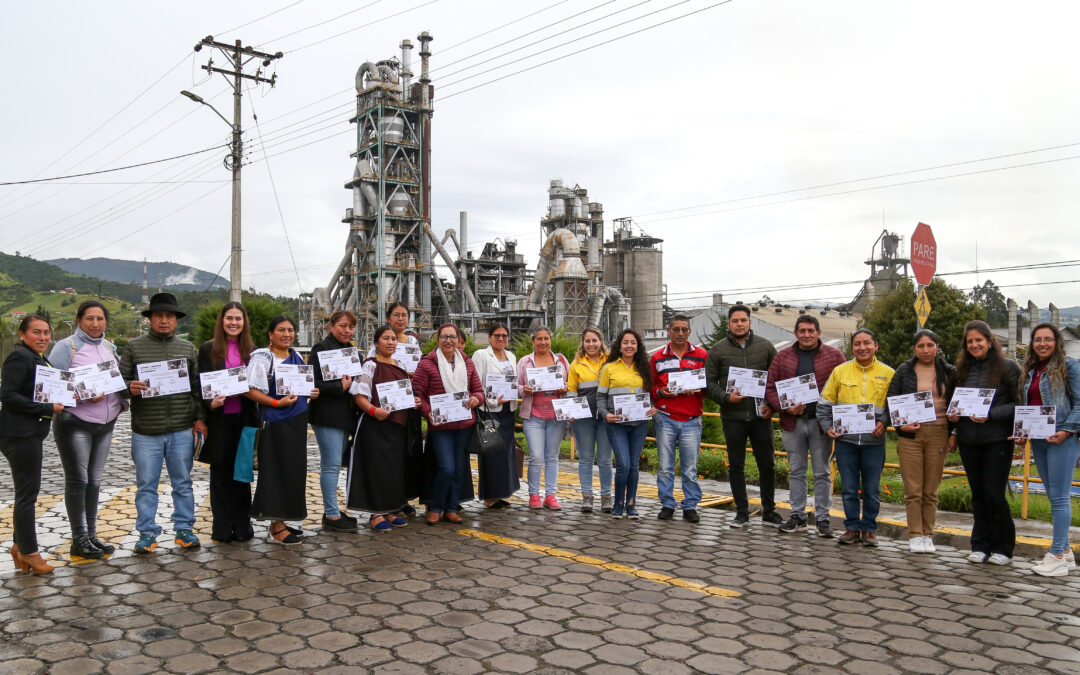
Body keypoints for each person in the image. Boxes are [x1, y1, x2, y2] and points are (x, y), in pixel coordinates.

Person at [119, 293, 206, 554]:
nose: (164, 320)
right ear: (150, 319)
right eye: (159, 315)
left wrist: (200, 419)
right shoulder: (134, 347)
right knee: (147, 485)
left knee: (183, 482)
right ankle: (147, 533)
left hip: (181, 428)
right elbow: (119, 382)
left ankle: (184, 529)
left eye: (169, 316)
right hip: (146, 430)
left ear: (176, 320)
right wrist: (129, 387)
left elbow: (196, 387)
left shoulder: (187, 348)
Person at [47, 301, 126, 559]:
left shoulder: (109, 347)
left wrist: (122, 403)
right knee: (78, 480)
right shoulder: (66, 346)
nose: (95, 324)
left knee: (94, 481)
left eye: (100, 319)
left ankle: (91, 536)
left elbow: (117, 382)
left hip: (105, 425)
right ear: (79, 320)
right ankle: (78, 539)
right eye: (89, 318)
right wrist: (83, 395)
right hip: (75, 423)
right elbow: (51, 387)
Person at [945, 320, 1020, 565]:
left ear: (990, 341)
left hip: (997, 440)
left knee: (994, 494)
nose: (974, 344)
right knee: (977, 494)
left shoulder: (1008, 367)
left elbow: (1019, 403)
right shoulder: (960, 370)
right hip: (969, 439)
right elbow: (953, 403)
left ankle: (1004, 547)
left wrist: (991, 414)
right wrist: (953, 418)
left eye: (979, 340)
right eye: (970, 341)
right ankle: (980, 544)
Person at [765, 314, 846, 537]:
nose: (807, 335)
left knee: (822, 472)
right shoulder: (783, 357)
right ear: (795, 333)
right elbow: (770, 388)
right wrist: (785, 407)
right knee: (797, 471)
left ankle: (823, 519)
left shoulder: (834, 356)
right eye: (802, 331)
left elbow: (844, 386)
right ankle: (798, 516)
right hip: (793, 423)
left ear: (819, 333)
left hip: (821, 424)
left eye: (811, 331)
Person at [246, 315, 320, 545]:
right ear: (270, 334)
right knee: (275, 472)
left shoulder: (295, 355)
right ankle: (275, 526)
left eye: (290, 330)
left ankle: (284, 519)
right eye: (281, 330)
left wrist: (311, 391)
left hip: (296, 422)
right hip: (275, 421)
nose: (287, 334)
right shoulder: (262, 357)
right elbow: (249, 389)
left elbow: (301, 387)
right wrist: (276, 403)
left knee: (293, 471)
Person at [817, 329, 894, 547]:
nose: (862, 348)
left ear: (876, 345)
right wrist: (828, 427)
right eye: (857, 344)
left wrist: (884, 422)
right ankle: (851, 528)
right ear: (852, 347)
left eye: (867, 343)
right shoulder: (840, 372)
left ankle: (869, 530)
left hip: (874, 443)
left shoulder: (889, 373)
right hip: (846, 442)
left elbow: (895, 405)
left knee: (872, 489)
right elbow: (824, 404)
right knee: (849, 489)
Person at [705, 304, 781, 528]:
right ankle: (741, 512)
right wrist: (727, 398)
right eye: (735, 321)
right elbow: (709, 383)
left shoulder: (765, 347)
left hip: (761, 416)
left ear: (750, 322)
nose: (739, 324)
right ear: (729, 324)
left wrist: (772, 407)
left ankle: (769, 511)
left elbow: (777, 379)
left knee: (767, 465)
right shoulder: (718, 350)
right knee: (736, 465)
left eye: (743, 320)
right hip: (733, 417)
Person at [1, 315, 63, 574]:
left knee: (27, 493)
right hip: (19, 434)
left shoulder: (37, 358)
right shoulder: (20, 357)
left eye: (46, 332)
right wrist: (47, 408)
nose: (43, 337)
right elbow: (7, 395)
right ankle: (29, 552)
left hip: (29, 433)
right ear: (22, 334)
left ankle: (20, 546)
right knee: (27, 496)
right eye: (36, 332)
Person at [1015, 323, 1079, 576]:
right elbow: (1029, 405)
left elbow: (1079, 402)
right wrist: (1021, 432)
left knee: (1060, 498)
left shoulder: (1069, 366)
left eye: (1048, 339)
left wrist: (1067, 430)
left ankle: (1056, 556)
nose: (1042, 344)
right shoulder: (1031, 370)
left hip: (1062, 438)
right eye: (1038, 339)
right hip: (1039, 439)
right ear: (1032, 344)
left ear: (1057, 342)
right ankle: (1066, 552)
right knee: (1053, 496)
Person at [886, 329, 955, 553]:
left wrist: (954, 432)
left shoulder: (950, 372)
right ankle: (915, 534)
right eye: (921, 346)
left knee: (931, 490)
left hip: (939, 433)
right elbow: (891, 401)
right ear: (914, 349)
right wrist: (900, 425)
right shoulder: (904, 371)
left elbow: (958, 404)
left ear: (937, 347)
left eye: (930, 345)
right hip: (911, 436)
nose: (926, 350)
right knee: (913, 489)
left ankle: (928, 534)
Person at [196, 301, 257, 544]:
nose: (233, 322)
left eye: (238, 318)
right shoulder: (208, 349)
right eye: (229, 318)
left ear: (244, 322)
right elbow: (200, 383)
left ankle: (243, 525)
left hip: (245, 420)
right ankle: (221, 528)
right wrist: (209, 403)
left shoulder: (253, 352)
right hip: (219, 420)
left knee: (241, 474)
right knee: (220, 474)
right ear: (222, 321)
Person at [413, 323, 484, 525]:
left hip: (464, 425)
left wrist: (476, 399)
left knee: (459, 468)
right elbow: (418, 394)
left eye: (452, 337)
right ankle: (435, 507)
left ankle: (451, 508)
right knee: (446, 468)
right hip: (441, 426)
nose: (448, 341)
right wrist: (428, 412)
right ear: (438, 340)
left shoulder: (467, 363)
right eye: (444, 337)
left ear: (458, 340)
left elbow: (478, 390)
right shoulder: (427, 363)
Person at [347, 324, 416, 531]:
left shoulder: (400, 365)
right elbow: (359, 396)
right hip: (375, 425)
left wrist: (413, 401)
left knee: (393, 469)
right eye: (386, 338)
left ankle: (391, 510)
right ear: (376, 343)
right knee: (376, 468)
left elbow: (403, 395)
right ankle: (376, 514)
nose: (390, 342)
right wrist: (373, 410)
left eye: (393, 339)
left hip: (397, 426)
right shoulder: (370, 365)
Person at [650, 315, 709, 523]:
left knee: (690, 468)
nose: (680, 333)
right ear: (669, 331)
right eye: (676, 329)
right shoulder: (657, 357)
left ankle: (690, 505)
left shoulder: (701, 355)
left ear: (689, 332)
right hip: (665, 417)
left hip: (691, 419)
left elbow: (709, 385)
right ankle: (667, 503)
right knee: (665, 467)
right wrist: (661, 392)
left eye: (684, 329)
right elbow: (650, 387)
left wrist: (699, 389)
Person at [308, 310, 360, 532]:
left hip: (345, 415)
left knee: (336, 464)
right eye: (343, 326)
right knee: (330, 464)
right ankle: (331, 514)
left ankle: (334, 511)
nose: (347, 330)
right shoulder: (321, 348)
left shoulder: (351, 351)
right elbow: (312, 382)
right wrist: (340, 387)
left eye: (351, 327)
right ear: (332, 326)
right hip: (327, 415)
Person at [371, 301, 423, 516]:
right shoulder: (382, 341)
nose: (401, 319)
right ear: (388, 318)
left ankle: (404, 498)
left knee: (409, 451)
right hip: (389, 404)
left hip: (409, 400)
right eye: (396, 315)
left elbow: (419, 367)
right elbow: (374, 369)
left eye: (404, 315)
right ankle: (389, 502)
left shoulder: (412, 341)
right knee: (392, 454)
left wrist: (414, 375)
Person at [598, 328, 655, 519]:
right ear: (619, 345)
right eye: (625, 342)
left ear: (638, 346)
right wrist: (606, 414)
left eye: (633, 343)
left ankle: (631, 504)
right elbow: (600, 397)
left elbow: (649, 396)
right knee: (623, 464)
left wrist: (652, 408)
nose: (629, 346)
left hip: (639, 424)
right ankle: (618, 504)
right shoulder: (609, 368)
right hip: (617, 424)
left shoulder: (644, 367)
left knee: (634, 465)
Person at [517, 327, 570, 510]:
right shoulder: (525, 361)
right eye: (539, 339)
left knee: (552, 457)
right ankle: (533, 495)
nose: (543, 342)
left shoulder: (561, 360)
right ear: (533, 341)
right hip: (533, 417)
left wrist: (565, 388)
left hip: (556, 417)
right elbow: (515, 385)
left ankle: (550, 495)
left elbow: (571, 382)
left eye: (546, 338)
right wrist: (524, 390)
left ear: (550, 340)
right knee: (536, 457)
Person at [471, 323, 521, 509]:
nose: (501, 339)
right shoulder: (481, 355)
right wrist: (492, 400)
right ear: (489, 337)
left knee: (506, 454)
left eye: (504, 335)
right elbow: (476, 383)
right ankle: (490, 496)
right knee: (492, 454)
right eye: (497, 335)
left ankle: (502, 493)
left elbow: (512, 381)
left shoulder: (511, 356)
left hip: (508, 410)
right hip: (490, 410)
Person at [568, 328, 612, 513]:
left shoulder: (610, 360)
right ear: (583, 343)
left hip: (606, 416)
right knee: (586, 458)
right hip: (583, 418)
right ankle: (587, 496)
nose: (591, 344)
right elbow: (571, 390)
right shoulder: (576, 363)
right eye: (587, 341)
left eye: (594, 340)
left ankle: (606, 497)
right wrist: (571, 410)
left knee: (605, 459)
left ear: (601, 341)